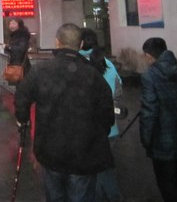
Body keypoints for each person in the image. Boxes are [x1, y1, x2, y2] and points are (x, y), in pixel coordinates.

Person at [15, 23, 114, 202]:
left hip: (50, 150)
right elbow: (106, 112)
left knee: (55, 196)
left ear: (57, 42)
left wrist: (22, 119)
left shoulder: (41, 71)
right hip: (84, 153)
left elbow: (22, 96)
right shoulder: (92, 74)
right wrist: (98, 135)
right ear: (80, 44)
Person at [140, 37, 177, 202]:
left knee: (167, 183)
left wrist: (146, 139)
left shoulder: (149, 76)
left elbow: (149, 112)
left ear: (149, 56)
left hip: (162, 142)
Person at [80, 28, 123, 202]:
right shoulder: (107, 63)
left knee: (92, 174)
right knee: (105, 170)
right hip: (111, 128)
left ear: (80, 42)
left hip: (88, 130)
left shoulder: (77, 64)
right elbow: (119, 90)